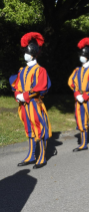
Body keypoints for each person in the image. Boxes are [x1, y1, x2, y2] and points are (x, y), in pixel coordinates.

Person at [10, 32, 52, 169]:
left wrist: (26, 95)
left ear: (33, 53)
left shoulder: (41, 70)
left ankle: (42, 156)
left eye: (27, 52)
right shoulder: (22, 70)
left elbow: (40, 87)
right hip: (23, 105)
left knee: (38, 128)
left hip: (34, 103)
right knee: (28, 128)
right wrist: (17, 94)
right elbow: (15, 84)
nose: (25, 55)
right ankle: (31, 154)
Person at [68, 37, 89, 154]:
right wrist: (77, 94)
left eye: (82, 55)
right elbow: (71, 83)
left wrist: (85, 96)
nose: (80, 57)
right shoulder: (77, 70)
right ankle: (83, 144)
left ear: (87, 56)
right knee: (81, 120)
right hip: (79, 99)